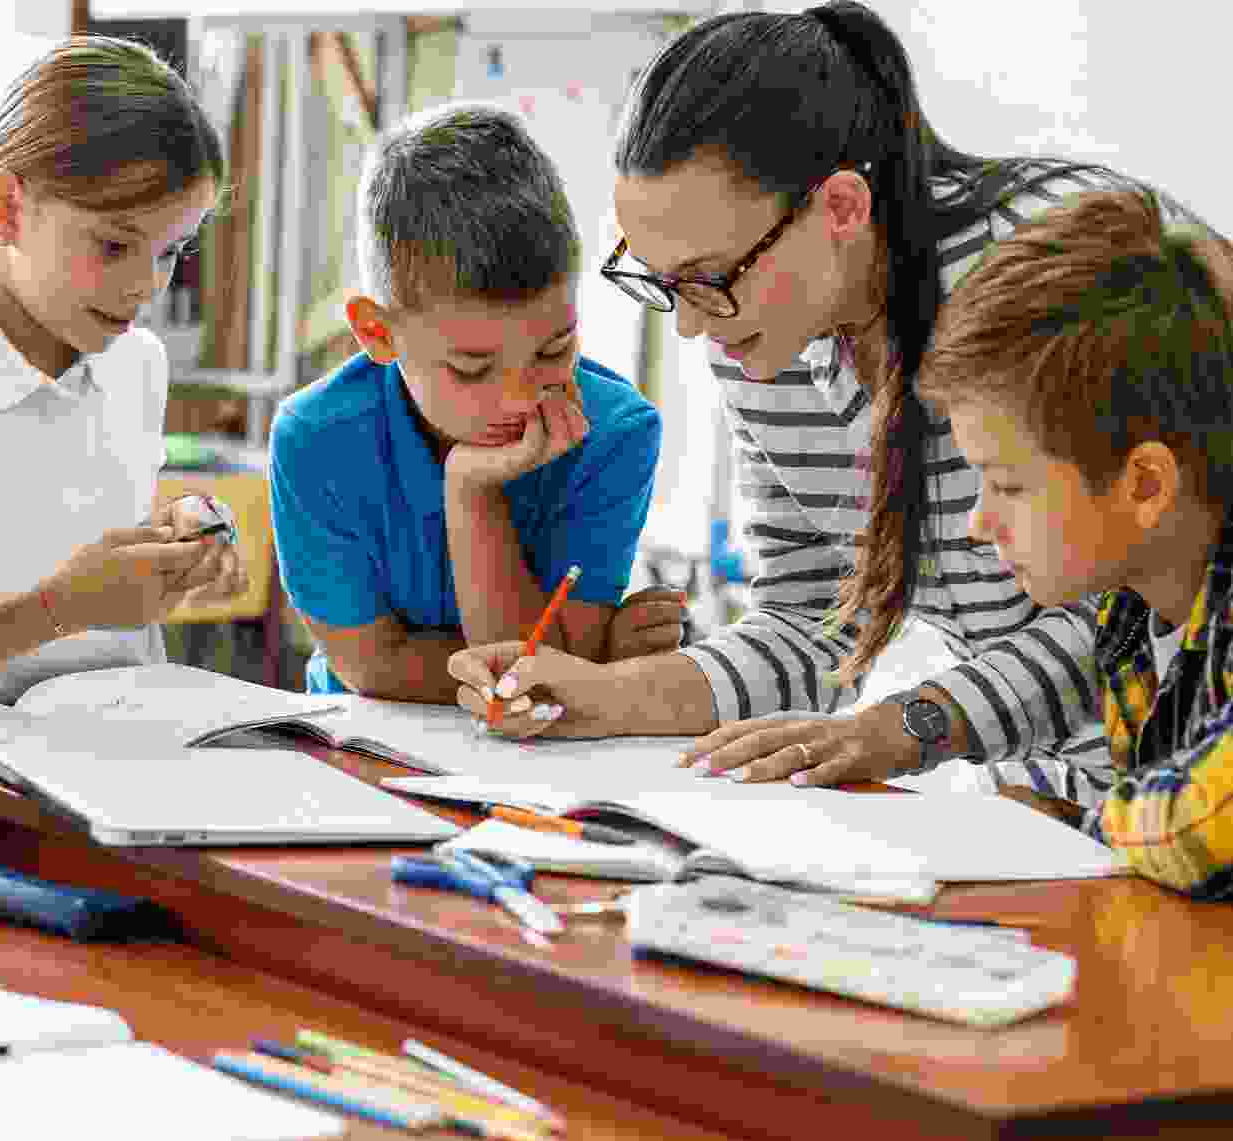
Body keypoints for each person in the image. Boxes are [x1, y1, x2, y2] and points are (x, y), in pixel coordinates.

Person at [448, 0, 1199, 810]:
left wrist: (905, 727)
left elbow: (1138, 598)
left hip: (1199, 766)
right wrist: (603, 697)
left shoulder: (1055, 261)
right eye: (665, 284)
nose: (694, 326)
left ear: (841, 207)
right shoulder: (760, 336)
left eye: (708, 280)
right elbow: (812, 623)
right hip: (1072, 794)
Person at [0, 35, 244, 708]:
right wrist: (61, 606)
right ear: (6, 208)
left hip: (113, 730)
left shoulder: (138, 362)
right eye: (114, 245)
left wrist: (180, 539)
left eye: (170, 251)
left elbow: (73, 545)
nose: (145, 285)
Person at [269, 101, 665, 701]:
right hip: (360, 737)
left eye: (555, 349)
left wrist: (473, 496)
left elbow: (539, 682)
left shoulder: (614, 433)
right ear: (378, 332)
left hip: (547, 750)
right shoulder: (316, 439)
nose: (521, 397)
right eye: (472, 368)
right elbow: (370, 668)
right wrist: (591, 658)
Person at [919, 187, 1233, 895]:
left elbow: (1205, 827)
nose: (979, 523)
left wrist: (1079, 831)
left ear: (1145, 485)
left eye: (1008, 484)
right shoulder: (1130, 614)